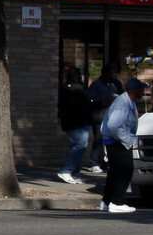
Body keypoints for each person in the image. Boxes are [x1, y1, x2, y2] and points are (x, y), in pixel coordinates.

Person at [98, 77, 147, 213]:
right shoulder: (123, 104)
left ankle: (106, 202)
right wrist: (127, 140)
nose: (143, 91)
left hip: (115, 140)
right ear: (135, 90)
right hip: (117, 141)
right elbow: (113, 126)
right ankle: (117, 202)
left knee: (114, 172)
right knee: (125, 170)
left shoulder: (128, 101)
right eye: (142, 89)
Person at [56, 66, 95, 183]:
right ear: (77, 77)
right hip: (78, 123)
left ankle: (76, 174)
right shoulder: (77, 89)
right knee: (80, 146)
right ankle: (66, 170)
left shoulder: (65, 88)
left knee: (78, 147)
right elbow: (83, 106)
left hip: (71, 123)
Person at [85, 67, 122, 176]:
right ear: (105, 73)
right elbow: (90, 100)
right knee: (99, 139)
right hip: (99, 116)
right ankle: (94, 163)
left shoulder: (114, 85)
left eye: (115, 73)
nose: (114, 75)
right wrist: (104, 102)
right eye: (112, 73)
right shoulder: (96, 85)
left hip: (111, 117)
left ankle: (105, 162)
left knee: (109, 141)